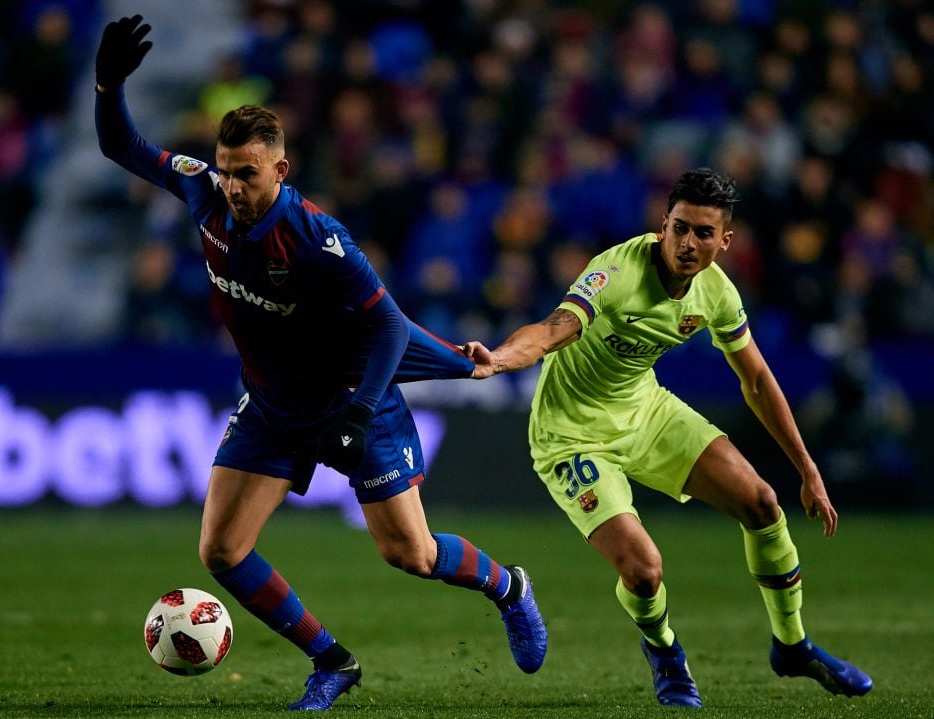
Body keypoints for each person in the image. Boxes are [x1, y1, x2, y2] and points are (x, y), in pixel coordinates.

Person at [94, 16, 547, 711]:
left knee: (412, 555)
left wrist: (363, 411)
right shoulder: (202, 192)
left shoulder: (315, 238)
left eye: (249, 174)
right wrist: (107, 84)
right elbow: (119, 143)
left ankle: (509, 587)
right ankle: (332, 661)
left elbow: (390, 325)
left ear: (281, 168)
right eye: (227, 169)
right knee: (220, 552)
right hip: (274, 407)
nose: (235, 185)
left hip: (352, 404)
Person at [463, 168, 872, 707]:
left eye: (703, 233)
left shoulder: (717, 293)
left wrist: (807, 468)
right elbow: (555, 327)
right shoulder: (616, 271)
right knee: (644, 569)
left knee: (762, 502)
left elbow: (755, 379)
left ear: (724, 241)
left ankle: (792, 646)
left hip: (646, 411)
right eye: (680, 228)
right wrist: (503, 359)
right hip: (572, 433)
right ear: (664, 225)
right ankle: (665, 652)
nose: (688, 242)